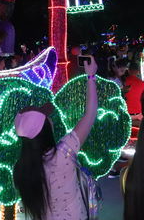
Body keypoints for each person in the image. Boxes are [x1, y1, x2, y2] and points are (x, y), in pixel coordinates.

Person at [13, 56, 98, 220]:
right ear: (45, 128)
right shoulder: (63, 153)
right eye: (47, 118)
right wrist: (91, 76)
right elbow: (91, 113)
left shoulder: (20, 168)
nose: (51, 119)